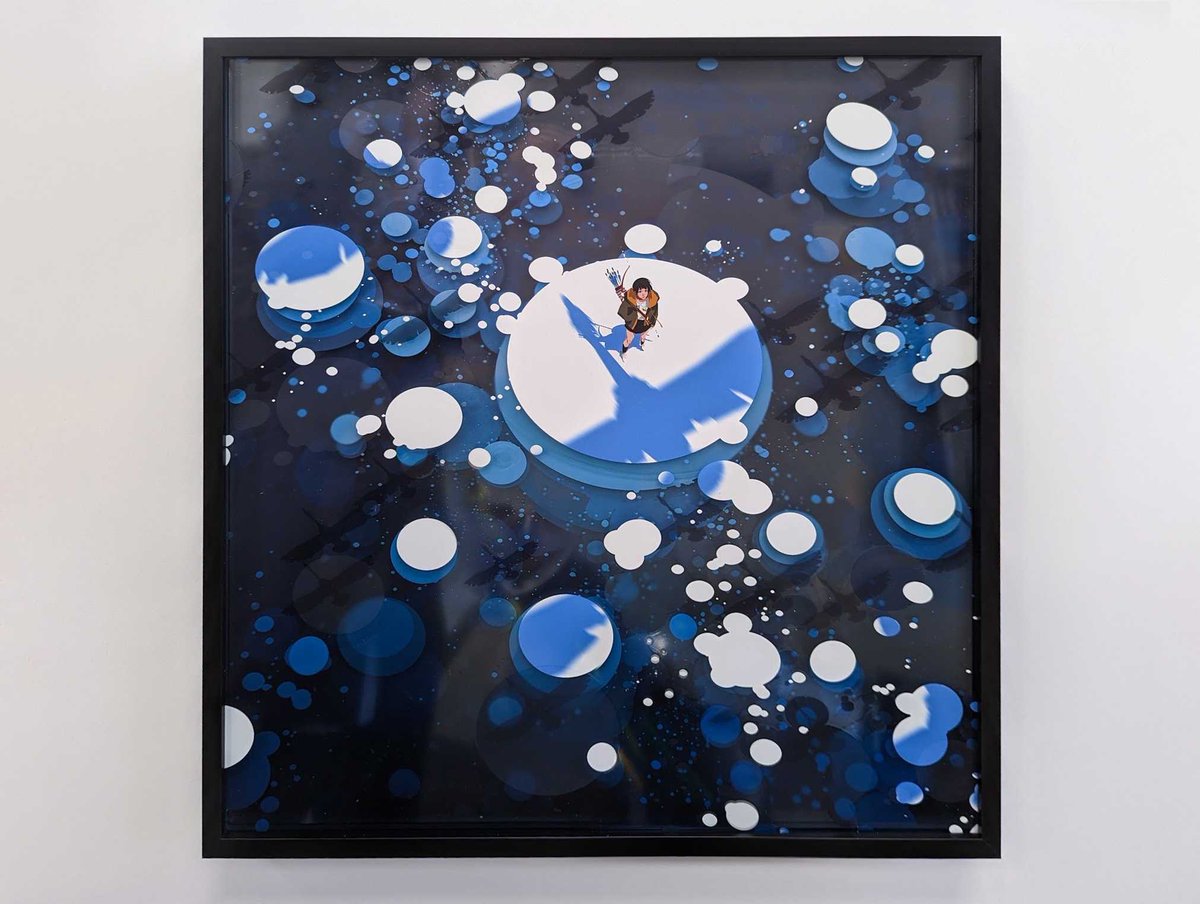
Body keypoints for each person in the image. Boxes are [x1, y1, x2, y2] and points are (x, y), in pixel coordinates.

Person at [614, 275, 660, 357]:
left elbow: (655, 312)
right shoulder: (631, 300)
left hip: (645, 323)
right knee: (629, 340)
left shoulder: (652, 300)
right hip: (633, 323)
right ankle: (623, 352)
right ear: (635, 292)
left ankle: (642, 344)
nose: (643, 294)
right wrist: (631, 314)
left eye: (645, 290)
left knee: (643, 336)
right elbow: (623, 311)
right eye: (640, 291)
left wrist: (652, 322)